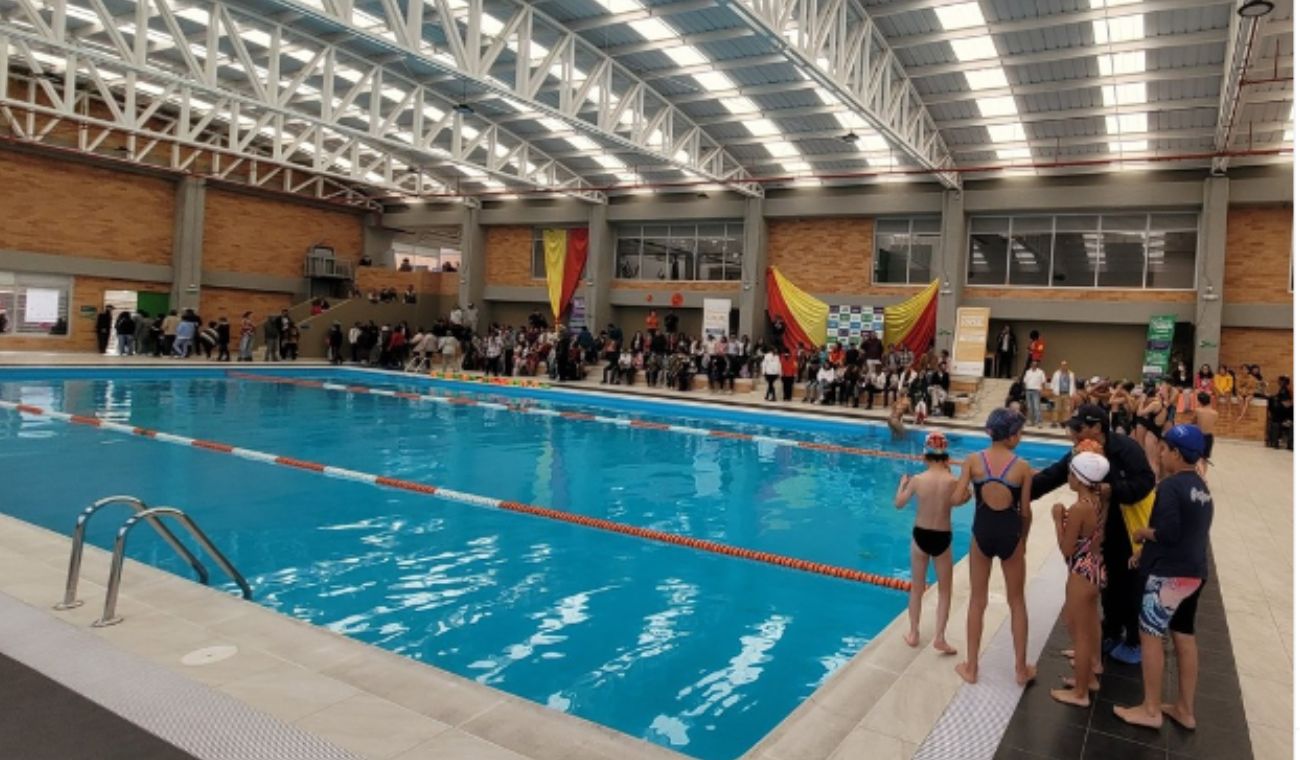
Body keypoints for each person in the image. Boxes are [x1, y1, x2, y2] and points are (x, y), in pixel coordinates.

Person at [1032, 403, 1156, 667]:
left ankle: (1134, 639)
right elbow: (1053, 476)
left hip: (1128, 524)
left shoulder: (1126, 449)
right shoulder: (1082, 452)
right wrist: (1017, 495)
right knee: (1109, 583)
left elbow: (1146, 482)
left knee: (1129, 583)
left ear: (1097, 427)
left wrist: (1115, 489)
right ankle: (1110, 632)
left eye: (1079, 428)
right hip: (1101, 526)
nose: (1073, 434)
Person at [1114, 425, 1214, 731]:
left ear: (1176, 453)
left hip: (1169, 576)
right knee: (1184, 636)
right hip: (1194, 572)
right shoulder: (1201, 486)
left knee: (1150, 636)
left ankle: (1151, 709)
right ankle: (1185, 709)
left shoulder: (1170, 487)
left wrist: (1144, 534)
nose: (1160, 451)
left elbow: (1168, 533)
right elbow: (1189, 533)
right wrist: (1145, 554)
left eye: (1165, 448)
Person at [952, 408, 1036, 686]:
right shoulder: (1023, 467)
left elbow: (956, 498)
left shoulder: (973, 461)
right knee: (1017, 602)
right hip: (1010, 534)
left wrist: (964, 495)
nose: (1021, 438)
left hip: (982, 533)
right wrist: (1022, 541)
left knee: (978, 600)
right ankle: (1021, 670)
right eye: (1020, 433)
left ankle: (972, 667)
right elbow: (1025, 511)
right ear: (1011, 437)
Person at [1048, 450, 1110, 708]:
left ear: (1081, 478)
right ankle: (1090, 679)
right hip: (1095, 567)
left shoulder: (1078, 508)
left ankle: (1080, 693)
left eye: (1071, 473)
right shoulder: (1098, 498)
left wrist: (1056, 520)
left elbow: (1066, 549)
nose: (1068, 477)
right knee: (1088, 622)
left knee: (1080, 634)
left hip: (1081, 573)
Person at [895, 431, 964, 655]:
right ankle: (940, 638)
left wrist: (902, 484)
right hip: (942, 536)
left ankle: (914, 633)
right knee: (945, 590)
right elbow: (962, 500)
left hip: (920, 535)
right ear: (946, 458)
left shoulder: (917, 480)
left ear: (925, 456)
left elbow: (899, 504)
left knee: (916, 587)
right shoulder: (953, 481)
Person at [1191, 392, 1217, 477]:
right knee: (1204, 459)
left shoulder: (1198, 411)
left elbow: (1193, 422)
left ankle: (1196, 475)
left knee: (1196, 458)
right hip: (1209, 437)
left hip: (1199, 436)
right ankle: (1203, 476)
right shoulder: (1215, 413)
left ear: (1200, 402)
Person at [1267, 376, 1293, 450]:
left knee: (1276, 423)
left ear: (1282, 382)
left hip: (1282, 413)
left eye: (1279, 381)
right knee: (1276, 424)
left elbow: (1286, 403)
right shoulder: (1285, 389)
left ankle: (1275, 442)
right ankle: (1277, 442)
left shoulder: (1285, 389)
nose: (1278, 382)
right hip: (1282, 413)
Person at [1049, 361, 1077, 426]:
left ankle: (1064, 422)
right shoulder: (1056, 373)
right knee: (1056, 408)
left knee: (1066, 409)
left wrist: (1073, 393)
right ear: (1061, 366)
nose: (1064, 366)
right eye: (1063, 365)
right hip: (1058, 393)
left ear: (1067, 366)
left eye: (1065, 365)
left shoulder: (1071, 374)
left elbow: (1073, 384)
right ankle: (1054, 422)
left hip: (1067, 393)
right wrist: (1053, 391)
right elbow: (1052, 383)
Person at [1023, 360, 1047, 427]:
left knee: (1036, 407)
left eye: (1035, 364)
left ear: (1037, 365)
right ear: (1031, 365)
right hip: (1028, 391)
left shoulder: (1040, 372)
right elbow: (1025, 381)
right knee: (1030, 407)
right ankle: (1030, 421)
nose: (1034, 365)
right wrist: (1026, 389)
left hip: (1036, 391)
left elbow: (1043, 382)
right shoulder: (1028, 372)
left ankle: (1038, 421)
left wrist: (1043, 390)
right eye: (1033, 364)